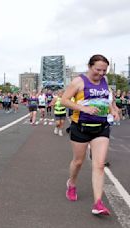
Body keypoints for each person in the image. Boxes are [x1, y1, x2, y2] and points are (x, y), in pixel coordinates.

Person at [61, 54, 119, 215]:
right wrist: (83, 108)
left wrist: (113, 110)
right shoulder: (79, 81)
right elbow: (64, 100)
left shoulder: (105, 82)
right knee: (78, 162)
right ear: (89, 66)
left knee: (99, 165)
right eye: (98, 70)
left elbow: (109, 100)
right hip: (81, 127)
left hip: (101, 127)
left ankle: (98, 203)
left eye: (104, 71)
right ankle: (71, 183)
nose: (101, 74)